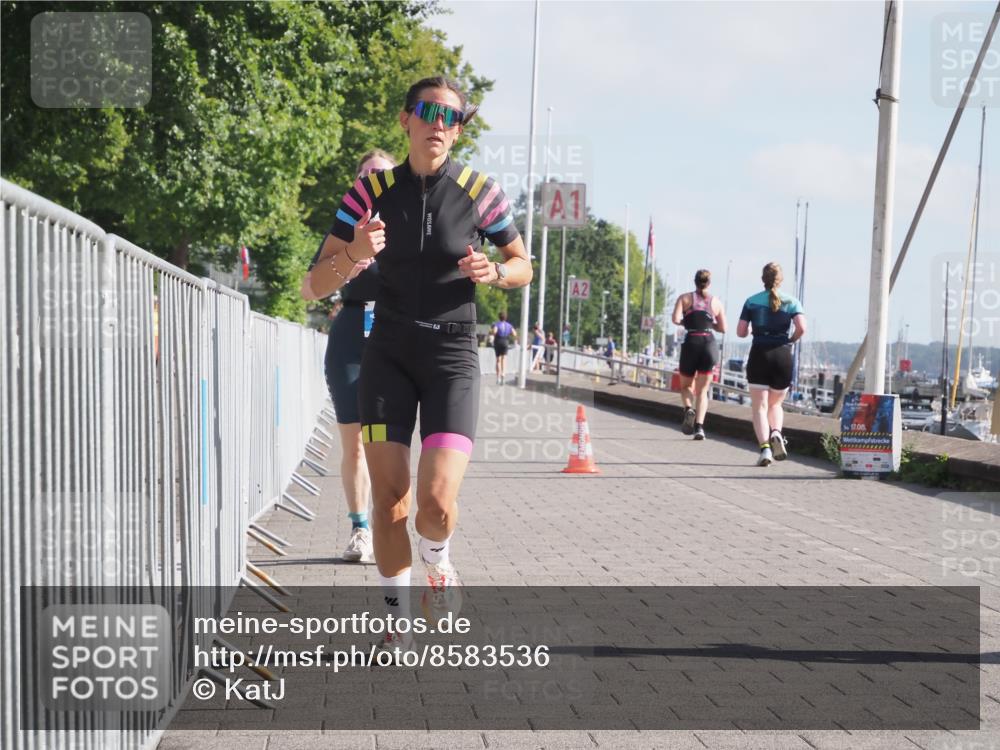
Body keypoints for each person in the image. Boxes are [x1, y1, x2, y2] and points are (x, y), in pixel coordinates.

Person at [307, 76, 531, 651]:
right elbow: (314, 284)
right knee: (390, 501)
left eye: (453, 117)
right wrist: (357, 252)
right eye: (429, 112)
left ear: (459, 131)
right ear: (406, 119)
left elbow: (522, 261)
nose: (440, 124)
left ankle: (439, 556)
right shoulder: (370, 192)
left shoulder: (481, 190)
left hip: (453, 355)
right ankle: (395, 619)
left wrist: (498, 273)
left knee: (433, 506)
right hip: (389, 351)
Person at [300, 149, 397, 563]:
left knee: (391, 444)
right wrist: (349, 261)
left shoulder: (412, 226)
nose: (373, 181)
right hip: (351, 333)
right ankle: (360, 530)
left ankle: (390, 524)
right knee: (354, 444)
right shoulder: (345, 230)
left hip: (397, 334)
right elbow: (309, 287)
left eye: (381, 175)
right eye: (366, 175)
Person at [736, 262, 806, 466]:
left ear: (763, 279)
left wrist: (754, 330)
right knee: (775, 404)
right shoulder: (792, 301)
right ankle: (776, 431)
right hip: (782, 355)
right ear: (780, 279)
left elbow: (741, 332)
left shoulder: (751, 301)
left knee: (759, 407)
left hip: (759, 354)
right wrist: (790, 340)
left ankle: (765, 449)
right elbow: (802, 327)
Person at [672, 269, 727, 440]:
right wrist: (710, 324)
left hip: (691, 343)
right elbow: (723, 328)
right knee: (703, 391)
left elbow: (675, 319)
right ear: (709, 283)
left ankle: (689, 409)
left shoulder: (685, 298)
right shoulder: (716, 302)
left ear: (694, 281)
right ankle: (699, 428)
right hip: (708, 344)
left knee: (687, 386)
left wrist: (687, 321)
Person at [491, 312, 516, 385]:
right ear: (506, 317)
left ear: (499, 317)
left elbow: (494, 332)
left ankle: (498, 378)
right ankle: (503, 374)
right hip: (505, 341)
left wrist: (492, 332)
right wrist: (509, 334)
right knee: (504, 359)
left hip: (498, 341)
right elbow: (514, 334)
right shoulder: (509, 325)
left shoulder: (497, 324)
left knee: (498, 360)